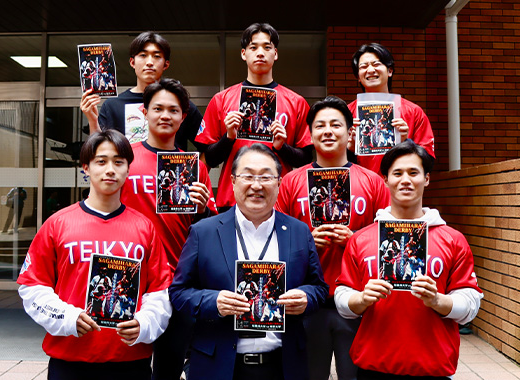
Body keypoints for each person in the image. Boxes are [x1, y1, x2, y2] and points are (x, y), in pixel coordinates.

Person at [17, 130, 172, 380]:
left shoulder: (146, 228)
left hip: (130, 363)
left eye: (118, 162)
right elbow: (32, 287)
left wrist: (144, 324)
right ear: (86, 168)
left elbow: (159, 292)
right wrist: (68, 317)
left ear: (128, 169)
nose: (110, 169)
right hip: (69, 361)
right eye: (101, 161)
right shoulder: (57, 224)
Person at [169, 143, 329, 380]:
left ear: (279, 183)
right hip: (219, 366)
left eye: (266, 177)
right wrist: (214, 301)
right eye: (248, 176)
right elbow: (178, 292)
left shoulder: (298, 231)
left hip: (282, 365)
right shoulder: (204, 232)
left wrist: (306, 298)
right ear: (233, 181)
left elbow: (319, 288)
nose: (256, 185)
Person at [335, 139, 483, 379]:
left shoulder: (453, 239)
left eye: (414, 172)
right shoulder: (360, 239)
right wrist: (361, 298)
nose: (405, 180)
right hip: (373, 367)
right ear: (385, 180)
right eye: (397, 173)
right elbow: (342, 299)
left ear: (426, 179)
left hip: (432, 368)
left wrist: (438, 301)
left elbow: (470, 305)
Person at [275, 96, 390, 380]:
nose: (327, 131)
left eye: (336, 125)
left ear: (350, 133)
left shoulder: (373, 181)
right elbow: (272, 239)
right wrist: (305, 244)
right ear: (310, 135)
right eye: (320, 126)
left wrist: (355, 241)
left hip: (357, 304)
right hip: (306, 303)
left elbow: (388, 241)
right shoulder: (290, 181)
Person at [119, 78, 217, 380]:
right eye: (158, 108)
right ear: (144, 112)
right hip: (128, 274)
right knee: (127, 363)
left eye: (173, 110)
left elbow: (207, 230)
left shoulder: (194, 165)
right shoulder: (125, 158)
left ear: (183, 116)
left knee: (169, 366)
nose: (165, 115)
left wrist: (201, 209)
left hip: (175, 279)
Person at [196, 23, 313, 213]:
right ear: (244, 54)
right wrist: (229, 137)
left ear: (275, 54)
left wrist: (282, 147)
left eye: (267, 47)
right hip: (231, 201)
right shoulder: (222, 99)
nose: (260, 53)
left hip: (279, 202)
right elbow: (208, 158)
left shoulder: (296, 102)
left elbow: (306, 162)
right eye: (253, 47)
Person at [80, 31, 203, 151]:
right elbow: (99, 151)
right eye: (143, 55)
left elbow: (207, 149)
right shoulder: (112, 106)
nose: (149, 62)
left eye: (156, 56)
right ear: (132, 62)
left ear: (166, 64)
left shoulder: (181, 105)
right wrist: (92, 120)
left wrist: (194, 171)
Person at [347, 42, 435, 174]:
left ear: (390, 71)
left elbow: (428, 161)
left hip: (398, 190)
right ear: (358, 77)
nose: (370, 70)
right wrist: (350, 150)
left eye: (376, 64)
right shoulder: (346, 114)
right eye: (363, 66)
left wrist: (407, 143)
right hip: (361, 190)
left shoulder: (414, 112)